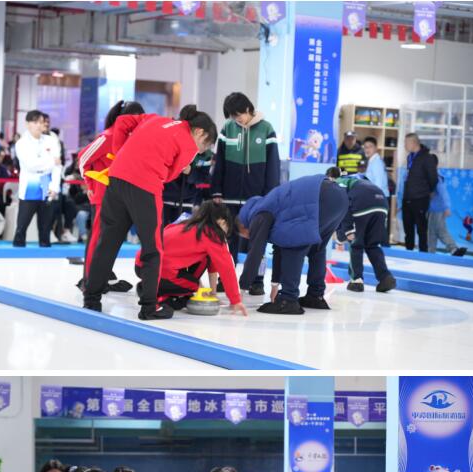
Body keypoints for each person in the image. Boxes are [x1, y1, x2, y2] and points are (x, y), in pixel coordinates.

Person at [83, 105, 218, 320]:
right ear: (199, 132)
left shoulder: (155, 119)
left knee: (107, 242)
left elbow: (122, 122)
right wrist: (182, 167)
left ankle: (91, 299)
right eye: (204, 145)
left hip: (116, 179)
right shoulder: (188, 144)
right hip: (145, 187)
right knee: (153, 248)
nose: (201, 151)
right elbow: (170, 175)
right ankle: (149, 307)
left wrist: (119, 152)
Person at [237, 174, 349, 314]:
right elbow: (278, 249)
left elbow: (256, 252)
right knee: (316, 249)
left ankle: (288, 300)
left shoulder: (258, 214)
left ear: (244, 225)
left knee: (292, 245)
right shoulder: (271, 205)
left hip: (320, 196)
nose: (250, 237)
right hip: (339, 197)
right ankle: (315, 295)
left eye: (246, 235)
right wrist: (275, 285)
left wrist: (242, 288)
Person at [211, 92, 280, 295]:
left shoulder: (266, 129)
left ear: (248, 109)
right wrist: (216, 190)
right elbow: (219, 162)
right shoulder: (227, 129)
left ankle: (257, 281)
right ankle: (226, 278)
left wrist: (270, 195)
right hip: (229, 196)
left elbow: (273, 166)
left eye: (238, 114)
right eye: (232, 116)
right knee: (227, 239)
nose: (236, 119)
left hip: (257, 199)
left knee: (257, 240)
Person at [78, 100, 145, 286]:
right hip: (102, 196)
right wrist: (90, 186)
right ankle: (90, 280)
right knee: (98, 238)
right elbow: (83, 158)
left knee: (110, 241)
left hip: (121, 197)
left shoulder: (132, 139)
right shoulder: (108, 136)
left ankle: (100, 277)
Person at [141, 200, 247, 315]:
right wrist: (235, 300)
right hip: (160, 273)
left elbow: (213, 263)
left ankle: (150, 287)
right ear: (222, 221)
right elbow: (226, 268)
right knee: (191, 288)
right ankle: (159, 295)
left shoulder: (185, 223)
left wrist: (213, 294)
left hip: (144, 266)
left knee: (205, 259)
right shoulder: (212, 235)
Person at [329, 169, 396, 293]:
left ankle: (356, 281)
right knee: (373, 245)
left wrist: (347, 231)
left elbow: (344, 204)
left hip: (362, 203)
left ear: (331, 178)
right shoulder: (360, 178)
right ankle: (385, 278)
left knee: (356, 244)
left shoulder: (338, 182)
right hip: (382, 204)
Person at [12, 110, 62, 248]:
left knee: (46, 227)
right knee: (22, 225)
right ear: (28, 124)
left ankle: (45, 252)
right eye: (35, 122)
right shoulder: (21, 143)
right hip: (30, 183)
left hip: (47, 183)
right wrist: (51, 161)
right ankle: (18, 252)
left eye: (41, 122)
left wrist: (55, 187)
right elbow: (31, 165)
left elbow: (58, 166)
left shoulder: (51, 140)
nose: (39, 125)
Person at [400, 133, 438, 252]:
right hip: (407, 198)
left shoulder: (427, 158)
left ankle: (423, 254)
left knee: (421, 229)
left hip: (420, 199)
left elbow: (433, 179)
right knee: (408, 228)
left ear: (414, 143)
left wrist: (426, 192)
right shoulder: (410, 157)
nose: (405, 145)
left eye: (406, 143)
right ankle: (409, 252)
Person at [427, 154, 466, 256]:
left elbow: (443, 193)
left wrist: (446, 207)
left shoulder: (436, 178)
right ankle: (430, 252)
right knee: (432, 232)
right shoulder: (432, 177)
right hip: (433, 210)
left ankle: (453, 249)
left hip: (436, 209)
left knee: (439, 231)